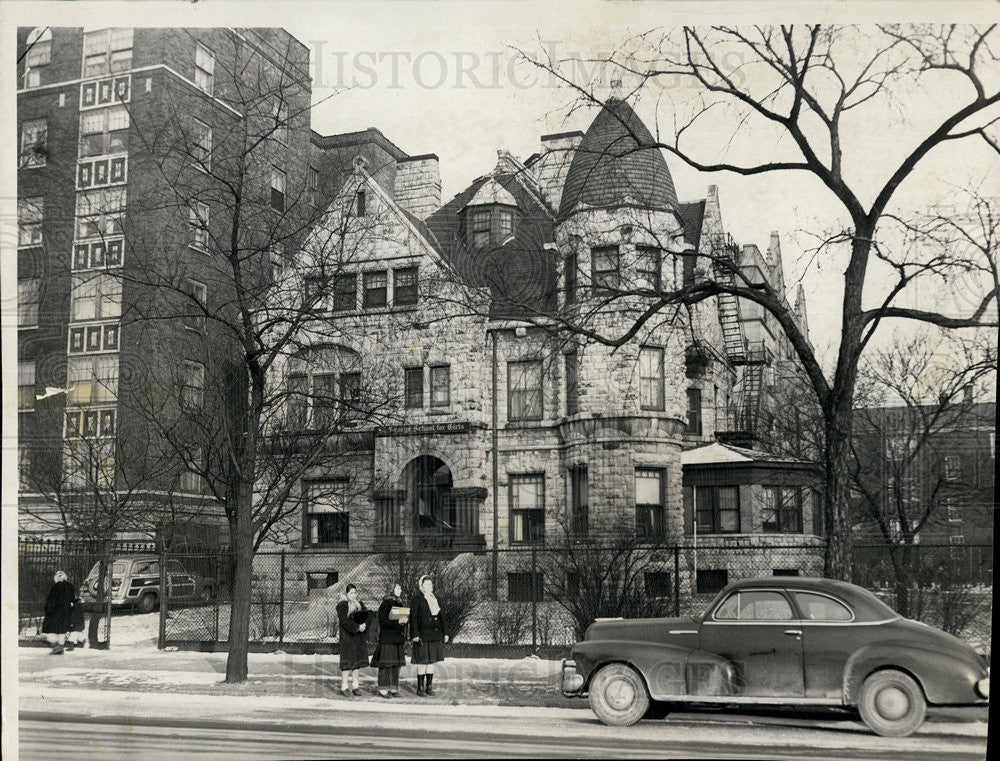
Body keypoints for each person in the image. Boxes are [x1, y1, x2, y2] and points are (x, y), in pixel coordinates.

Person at [410, 574, 449, 696]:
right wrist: (415, 634)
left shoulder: (435, 599)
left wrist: (445, 632)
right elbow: (414, 618)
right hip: (422, 636)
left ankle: (429, 687)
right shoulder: (417, 599)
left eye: (430, 584)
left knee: (431, 662)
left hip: (434, 636)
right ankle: (420, 687)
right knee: (422, 662)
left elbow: (442, 617)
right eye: (426, 584)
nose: (429, 586)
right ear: (421, 586)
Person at [371, 582, 408, 698]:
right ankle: (383, 689)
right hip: (388, 638)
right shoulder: (385, 604)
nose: (400, 589)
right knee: (386, 665)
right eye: (398, 587)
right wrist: (398, 622)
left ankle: (393, 688)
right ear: (392, 589)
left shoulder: (399, 603)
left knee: (396, 665)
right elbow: (383, 621)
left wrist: (404, 621)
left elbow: (401, 621)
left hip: (397, 638)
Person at [335, 584, 369, 696]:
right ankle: (344, 686)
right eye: (351, 593)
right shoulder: (342, 605)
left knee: (357, 663)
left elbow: (367, 616)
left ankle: (355, 686)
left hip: (358, 638)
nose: (353, 595)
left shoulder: (359, 605)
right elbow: (344, 621)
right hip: (347, 638)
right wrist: (357, 627)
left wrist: (364, 625)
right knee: (347, 662)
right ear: (346, 594)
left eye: (355, 593)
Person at [42, 570, 74, 655]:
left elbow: (51, 601)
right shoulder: (69, 586)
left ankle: (57, 647)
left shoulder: (55, 587)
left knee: (51, 631)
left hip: (55, 613)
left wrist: (48, 610)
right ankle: (60, 647)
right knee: (61, 631)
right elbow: (72, 599)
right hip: (65, 612)